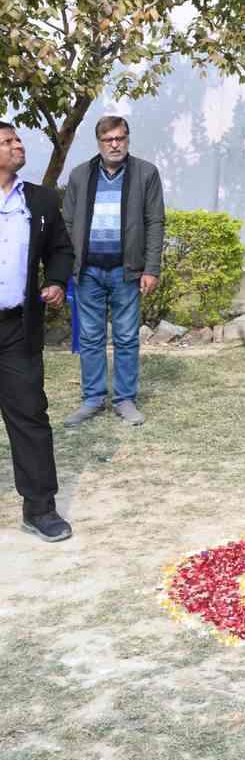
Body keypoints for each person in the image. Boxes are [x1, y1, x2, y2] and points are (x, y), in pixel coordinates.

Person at [62, 115, 165, 428]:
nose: (115, 145)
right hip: (88, 271)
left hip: (126, 271)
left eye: (120, 138)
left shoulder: (146, 173)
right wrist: (67, 265)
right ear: (99, 143)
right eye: (108, 140)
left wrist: (151, 268)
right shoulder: (80, 175)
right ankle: (93, 399)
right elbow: (67, 222)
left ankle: (125, 399)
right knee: (90, 337)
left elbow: (155, 222)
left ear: (127, 139)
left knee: (126, 337)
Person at [0, 124, 75, 542]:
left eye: (17, 140)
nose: (17, 145)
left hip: (17, 327)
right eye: (7, 141)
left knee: (29, 415)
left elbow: (60, 249)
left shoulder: (41, 200)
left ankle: (40, 509)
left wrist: (57, 281)